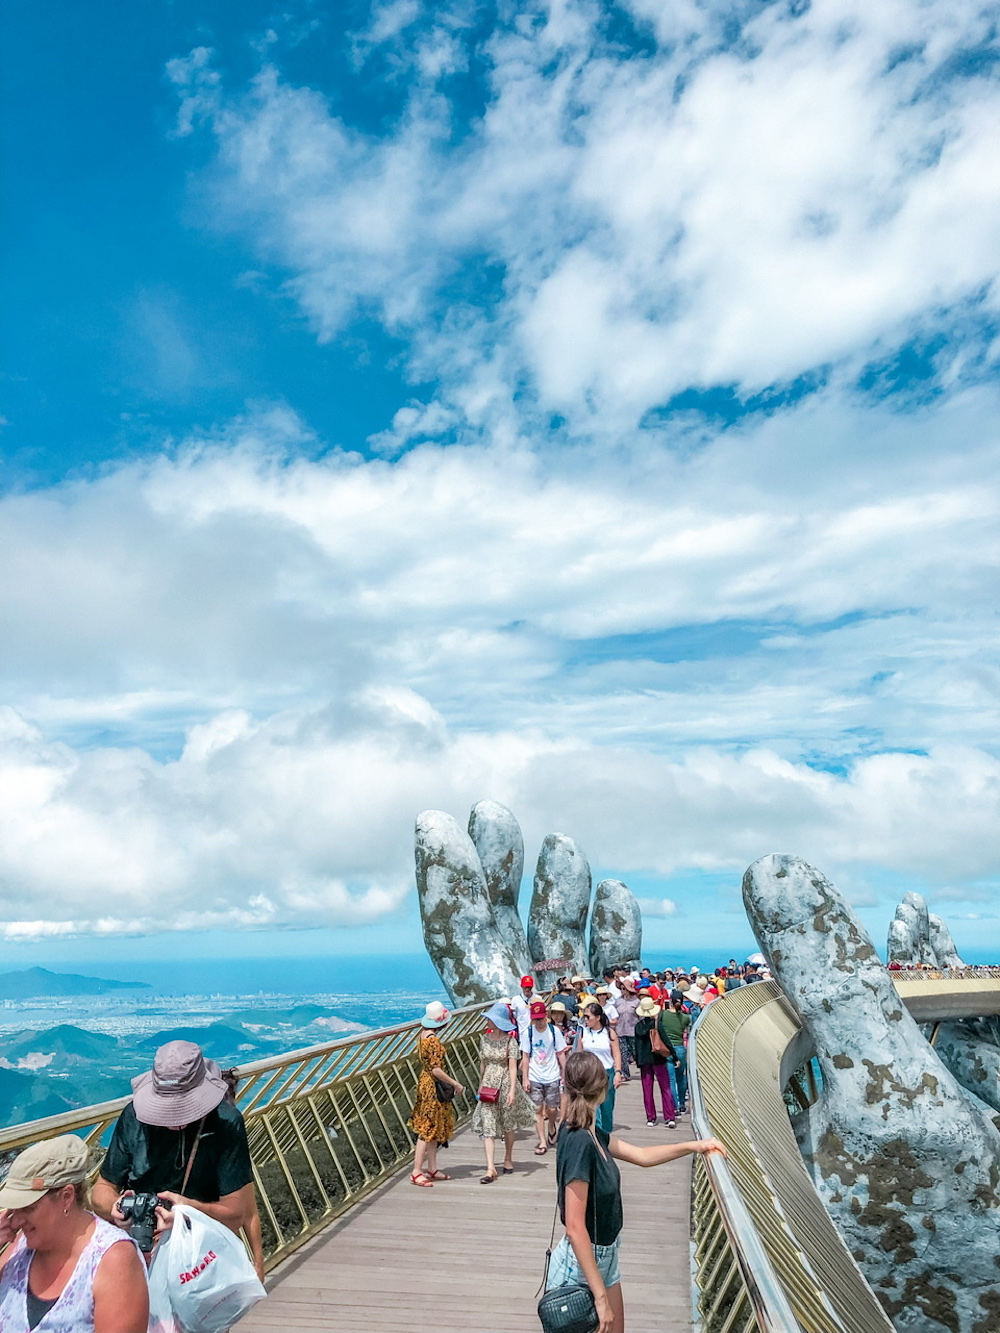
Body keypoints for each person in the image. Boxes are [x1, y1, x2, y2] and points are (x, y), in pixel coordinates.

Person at [547, 1052, 726, 1333]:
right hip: (581, 1268)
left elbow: (641, 1155)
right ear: (602, 1086)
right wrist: (600, 1297)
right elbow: (574, 1226)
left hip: (605, 1255)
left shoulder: (591, 1131)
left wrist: (694, 1146)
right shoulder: (579, 1140)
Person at [92, 1040, 256, 1252]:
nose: (173, 1118)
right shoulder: (134, 1117)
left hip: (200, 1252)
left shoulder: (225, 1122)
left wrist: (188, 1211)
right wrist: (117, 1208)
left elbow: (235, 1214)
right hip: (141, 1250)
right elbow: (102, 1189)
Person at [0, 1134, 149, 1333]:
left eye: (28, 1208)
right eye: (14, 1208)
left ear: (67, 1196)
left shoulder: (114, 1260)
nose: (16, 1220)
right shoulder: (19, 1244)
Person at [471, 1000, 534, 1182]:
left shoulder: (510, 1041)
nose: (488, 1022)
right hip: (489, 1084)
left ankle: (507, 1157)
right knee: (488, 1124)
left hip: (505, 1082)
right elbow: (483, 1063)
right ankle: (490, 1167)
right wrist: (480, 1084)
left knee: (508, 1124)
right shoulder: (484, 1040)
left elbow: (513, 1067)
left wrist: (513, 1090)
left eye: (490, 1019)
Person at [407, 1000, 464, 1186]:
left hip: (425, 1084)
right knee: (427, 1128)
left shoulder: (423, 1036)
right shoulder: (433, 1041)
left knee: (432, 1127)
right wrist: (455, 1083)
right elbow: (436, 1070)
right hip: (432, 1087)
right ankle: (417, 1170)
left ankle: (431, 1167)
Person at [521, 999, 567, 1154]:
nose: (539, 1022)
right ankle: (542, 1141)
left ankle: (552, 1126)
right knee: (538, 1109)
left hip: (552, 1074)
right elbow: (525, 1057)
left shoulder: (554, 1031)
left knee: (553, 1109)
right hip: (535, 1075)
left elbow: (560, 1054)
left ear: (545, 1016)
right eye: (536, 1019)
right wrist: (525, 1078)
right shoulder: (528, 1033)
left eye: (541, 1018)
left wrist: (564, 1073)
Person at [574, 1002, 622, 1134]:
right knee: (594, 1106)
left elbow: (616, 1053)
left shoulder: (609, 1033)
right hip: (589, 1073)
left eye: (588, 1017)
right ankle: (596, 1134)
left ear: (598, 1017)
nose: (586, 1020)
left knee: (607, 1106)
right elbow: (580, 1052)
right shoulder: (583, 1032)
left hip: (606, 1072)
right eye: (584, 1017)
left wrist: (618, 1072)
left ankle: (606, 1133)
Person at [633, 995, 677, 1127]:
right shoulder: (657, 1025)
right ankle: (669, 1117)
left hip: (644, 1061)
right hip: (658, 1059)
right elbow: (666, 1041)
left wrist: (637, 1060)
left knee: (647, 1090)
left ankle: (650, 1118)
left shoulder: (638, 1027)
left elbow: (635, 1045)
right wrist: (673, 1056)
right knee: (665, 1088)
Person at [659, 994, 691, 1115]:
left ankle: (675, 1106)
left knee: (671, 1080)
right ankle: (682, 1103)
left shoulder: (663, 1014)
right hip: (680, 1048)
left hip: (666, 1049)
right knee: (680, 1078)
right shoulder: (685, 1017)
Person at [614, 976, 640, 1082]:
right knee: (623, 1053)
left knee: (635, 1052)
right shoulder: (618, 1001)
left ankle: (644, 1070)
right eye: (621, 988)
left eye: (624, 988)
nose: (622, 991)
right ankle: (625, 1074)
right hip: (620, 1030)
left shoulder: (636, 1001)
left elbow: (640, 1016)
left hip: (633, 1030)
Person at [511, 974, 538, 1047]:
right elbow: (514, 1016)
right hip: (522, 1034)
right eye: (525, 987)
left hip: (537, 1033)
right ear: (521, 986)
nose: (527, 989)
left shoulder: (538, 998)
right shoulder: (515, 1000)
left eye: (529, 987)